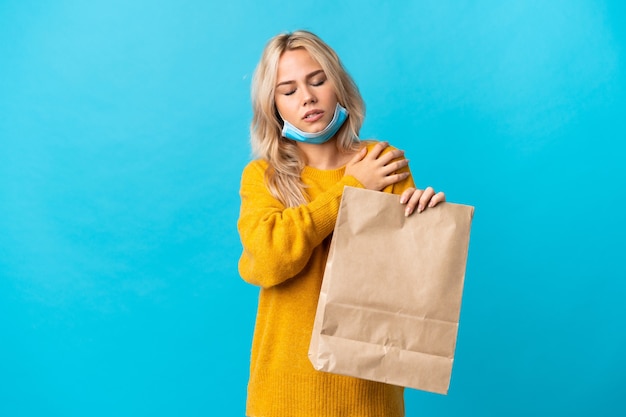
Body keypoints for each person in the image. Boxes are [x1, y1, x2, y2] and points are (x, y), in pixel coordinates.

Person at [237, 30, 445, 417]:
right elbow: (268, 259)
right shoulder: (263, 177)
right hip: (283, 396)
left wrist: (424, 224)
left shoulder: (384, 162)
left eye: (318, 80)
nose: (307, 97)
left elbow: (407, 291)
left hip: (369, 397)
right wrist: (351, 190)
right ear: (273, 106)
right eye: (288, 90)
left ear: (338, 85)